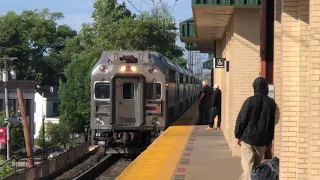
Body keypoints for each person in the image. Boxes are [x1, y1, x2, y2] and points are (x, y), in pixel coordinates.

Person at [234, 77, 276, 180]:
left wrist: (238, 134)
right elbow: (272, 124)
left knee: (248, 164)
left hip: (247, 137)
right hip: (262, 139)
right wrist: (270, 140)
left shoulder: (250, 101)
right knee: (257, 166)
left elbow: (242, 119)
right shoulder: (271, 103)